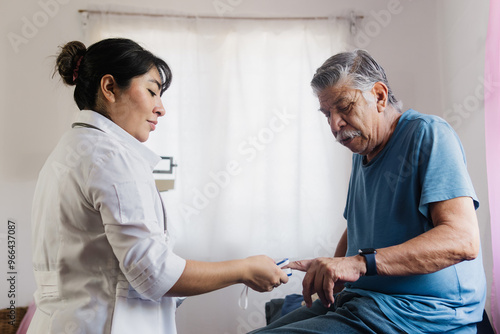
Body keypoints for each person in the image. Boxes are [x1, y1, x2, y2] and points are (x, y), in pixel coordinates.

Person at [28, 38, 289, 334]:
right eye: (152, 91)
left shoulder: (69, 150)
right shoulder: (111, 157)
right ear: (110, 87)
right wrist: (243, 270)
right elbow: (152, 274)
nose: (160, 109)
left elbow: (119, 270)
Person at [249, 50, 486, 333]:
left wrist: (361, 264)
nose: (335, 125)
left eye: (345, 107)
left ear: (379, 96)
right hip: (365, 302)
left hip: (420, 313)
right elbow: (357, 228)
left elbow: (462, 240)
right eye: (327, 114)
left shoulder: (428, 133)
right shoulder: (361, 153)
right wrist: (334, 267)